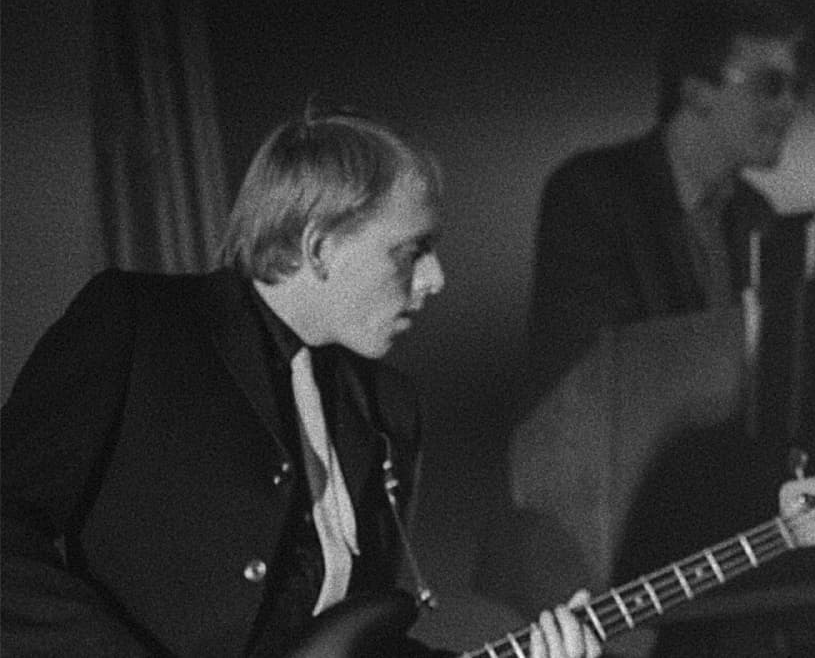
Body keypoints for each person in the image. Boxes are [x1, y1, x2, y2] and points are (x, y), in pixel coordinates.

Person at [1, 110, 600, 658]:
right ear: (318, 246)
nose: (436, 278)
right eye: (412, 251)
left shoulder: (387, 408)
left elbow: (357, 641)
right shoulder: (140, 325)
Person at [480, 0, 815, 657]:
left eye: (799, 87)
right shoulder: (592, 191)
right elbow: (585, 369)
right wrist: (750, 338)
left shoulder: (757, 214)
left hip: (709, 547)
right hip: (591, 544)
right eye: (771, 84)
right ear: (695, 89)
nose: (790, 106)